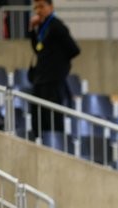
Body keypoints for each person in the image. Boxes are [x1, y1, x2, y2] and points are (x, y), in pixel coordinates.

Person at [26, 0, 80, 133]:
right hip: (40, 79)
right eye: (36, 7)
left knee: (53, 119)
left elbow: (74, 50)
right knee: (38, 119)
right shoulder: (43, 26)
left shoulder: (57, 26)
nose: (38, 10)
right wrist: (32, 30)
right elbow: (38, 50)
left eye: (42, 6)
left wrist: (57, 64)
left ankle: (54, 141)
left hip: (53, 81)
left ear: (50, 7)